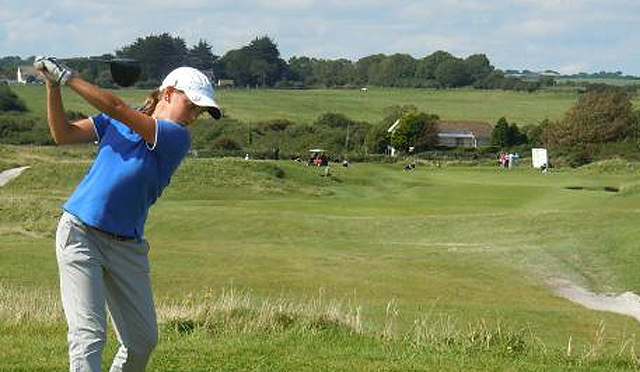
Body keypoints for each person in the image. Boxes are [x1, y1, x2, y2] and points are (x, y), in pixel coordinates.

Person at [34, 56, 221, 372]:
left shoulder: (175, 136)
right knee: (88, 335)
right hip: (80, 232)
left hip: (127, 246)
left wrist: (69, 77)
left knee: (141, 340)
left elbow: (117, 107)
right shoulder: (119, 122)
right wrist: (53, 87)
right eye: (191, 106)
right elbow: (62, 135)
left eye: (199, 112)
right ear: (168, 93)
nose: (193, 117)